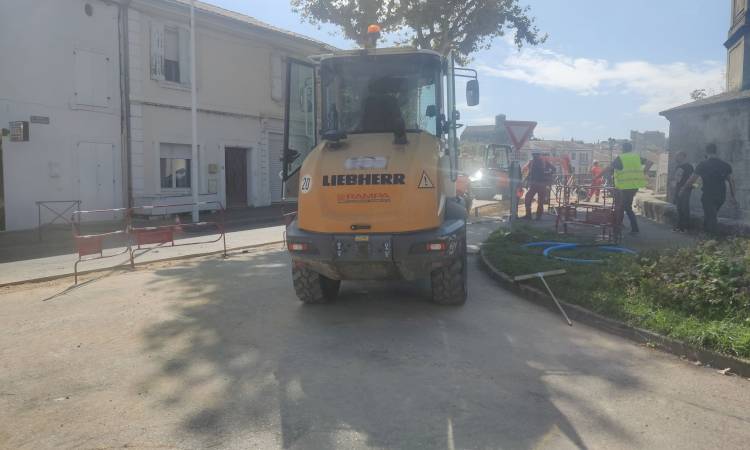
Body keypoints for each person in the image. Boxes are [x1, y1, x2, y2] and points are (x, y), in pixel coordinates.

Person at [680, 143, 737, 235]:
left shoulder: (703, 164)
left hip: (708, 195)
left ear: (706, 152)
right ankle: (706, 234)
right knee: (710, 215)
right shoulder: (725, 165)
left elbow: (692, 179)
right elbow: (732, 181)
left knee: (711, 216)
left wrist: (683, 189)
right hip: (721, 196)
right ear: (716, 151)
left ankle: (713, 239)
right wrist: (733, 196)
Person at [603, 142, 652, 235]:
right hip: (634, 186)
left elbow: (609, 168)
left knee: (625, 207)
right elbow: (650, 162)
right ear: (631, 148)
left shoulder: (621, 158)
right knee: (623, 206)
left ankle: (632, 228)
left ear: (623, 149)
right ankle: (620, 226)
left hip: (624, 187)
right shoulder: (636, 157)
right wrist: (644, 172)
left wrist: (597, 177)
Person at [524, 153, 556, 220]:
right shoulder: (533, 162)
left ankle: (534, 216)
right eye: (534, 155)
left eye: (536, 155)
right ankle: (532, 216)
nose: (535, 156)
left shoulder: (542, 162)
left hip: (540, 184)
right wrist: (526, 180)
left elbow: (554, 169)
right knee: (530, 199)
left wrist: (547, 174)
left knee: (535, 200)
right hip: (537, 184)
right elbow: (530, 173)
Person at [670, 151, 694, 232]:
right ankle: (680, 227)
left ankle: (686, 227)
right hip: (678, 189)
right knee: (679, 208)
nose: (676, 158)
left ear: (683, 156)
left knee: (684, 208)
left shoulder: (689, 167)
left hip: (685, 189)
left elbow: (692, 179)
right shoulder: (678, 166)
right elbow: (676, 179)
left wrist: (689, 187)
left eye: (677, 156)